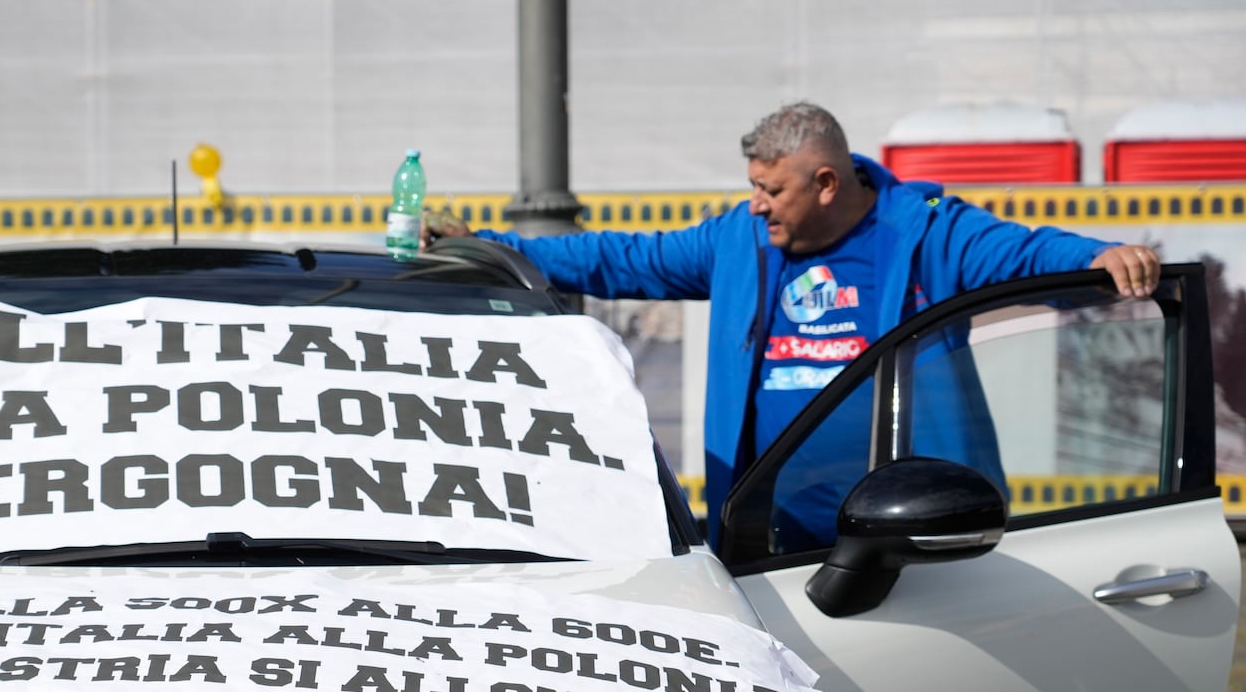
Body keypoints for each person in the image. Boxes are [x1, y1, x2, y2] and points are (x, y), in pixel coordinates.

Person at [424, 101, 1161, 546]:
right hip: (761, 531)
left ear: (826, 183)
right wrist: (495, 249)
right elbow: (622, 257)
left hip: (894, 535)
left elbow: (1021, 252)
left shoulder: (924, 232)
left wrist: (1101, 256)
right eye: (753, 186)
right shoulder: (737, 242)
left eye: (771, 189)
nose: (757, 203)